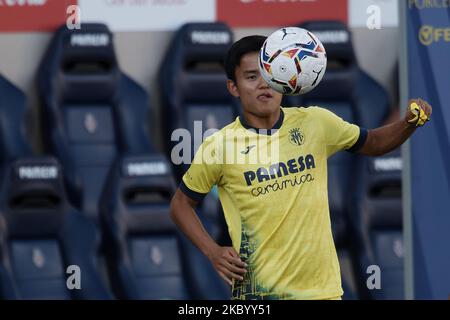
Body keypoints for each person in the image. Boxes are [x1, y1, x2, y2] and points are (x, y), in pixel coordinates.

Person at [169, 35, 432, 300]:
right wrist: (212, 251)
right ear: (233, 87)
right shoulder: (219, 146)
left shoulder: (316, 122)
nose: (264, 84)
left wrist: (408, 123)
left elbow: (374, 143)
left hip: (324, 293)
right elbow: (180, 205)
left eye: (271, 73)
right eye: (251, 77)